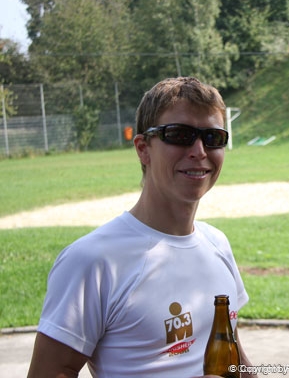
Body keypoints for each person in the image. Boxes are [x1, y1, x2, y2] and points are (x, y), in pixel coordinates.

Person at [28, 77, 256, 378]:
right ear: (142, 149)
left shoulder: (217, 244)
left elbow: (234, 355)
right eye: (180, 135)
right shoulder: (93, 260)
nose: (199, 151)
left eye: (213, 137)